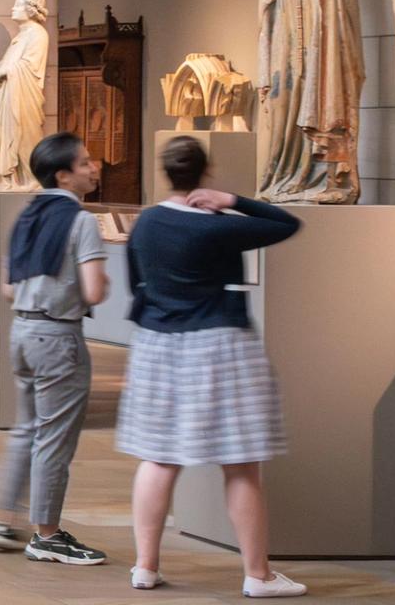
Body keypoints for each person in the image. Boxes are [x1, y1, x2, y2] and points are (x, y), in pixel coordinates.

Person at [119, 135, 305, 595]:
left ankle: (145, 565)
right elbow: (287, 223)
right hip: (220, 344)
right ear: (205, 171)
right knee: (241, 465)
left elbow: (136, 285)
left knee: (158, 457)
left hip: (157, 344)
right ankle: (257, 575)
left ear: (165, 171)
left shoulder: (145, 224)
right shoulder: (217, 226)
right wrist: (232, 200)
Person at [0, 132, 110, 566]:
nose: (94, 167)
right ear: (64, 175)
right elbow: (93, 291)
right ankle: (47, 534)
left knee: (28, 429)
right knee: (54, 439)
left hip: (22, 333)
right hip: (57, 339)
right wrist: (98, 282)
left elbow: (7, 289)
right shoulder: (82, 221)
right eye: (86, 162)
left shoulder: (27, 214)